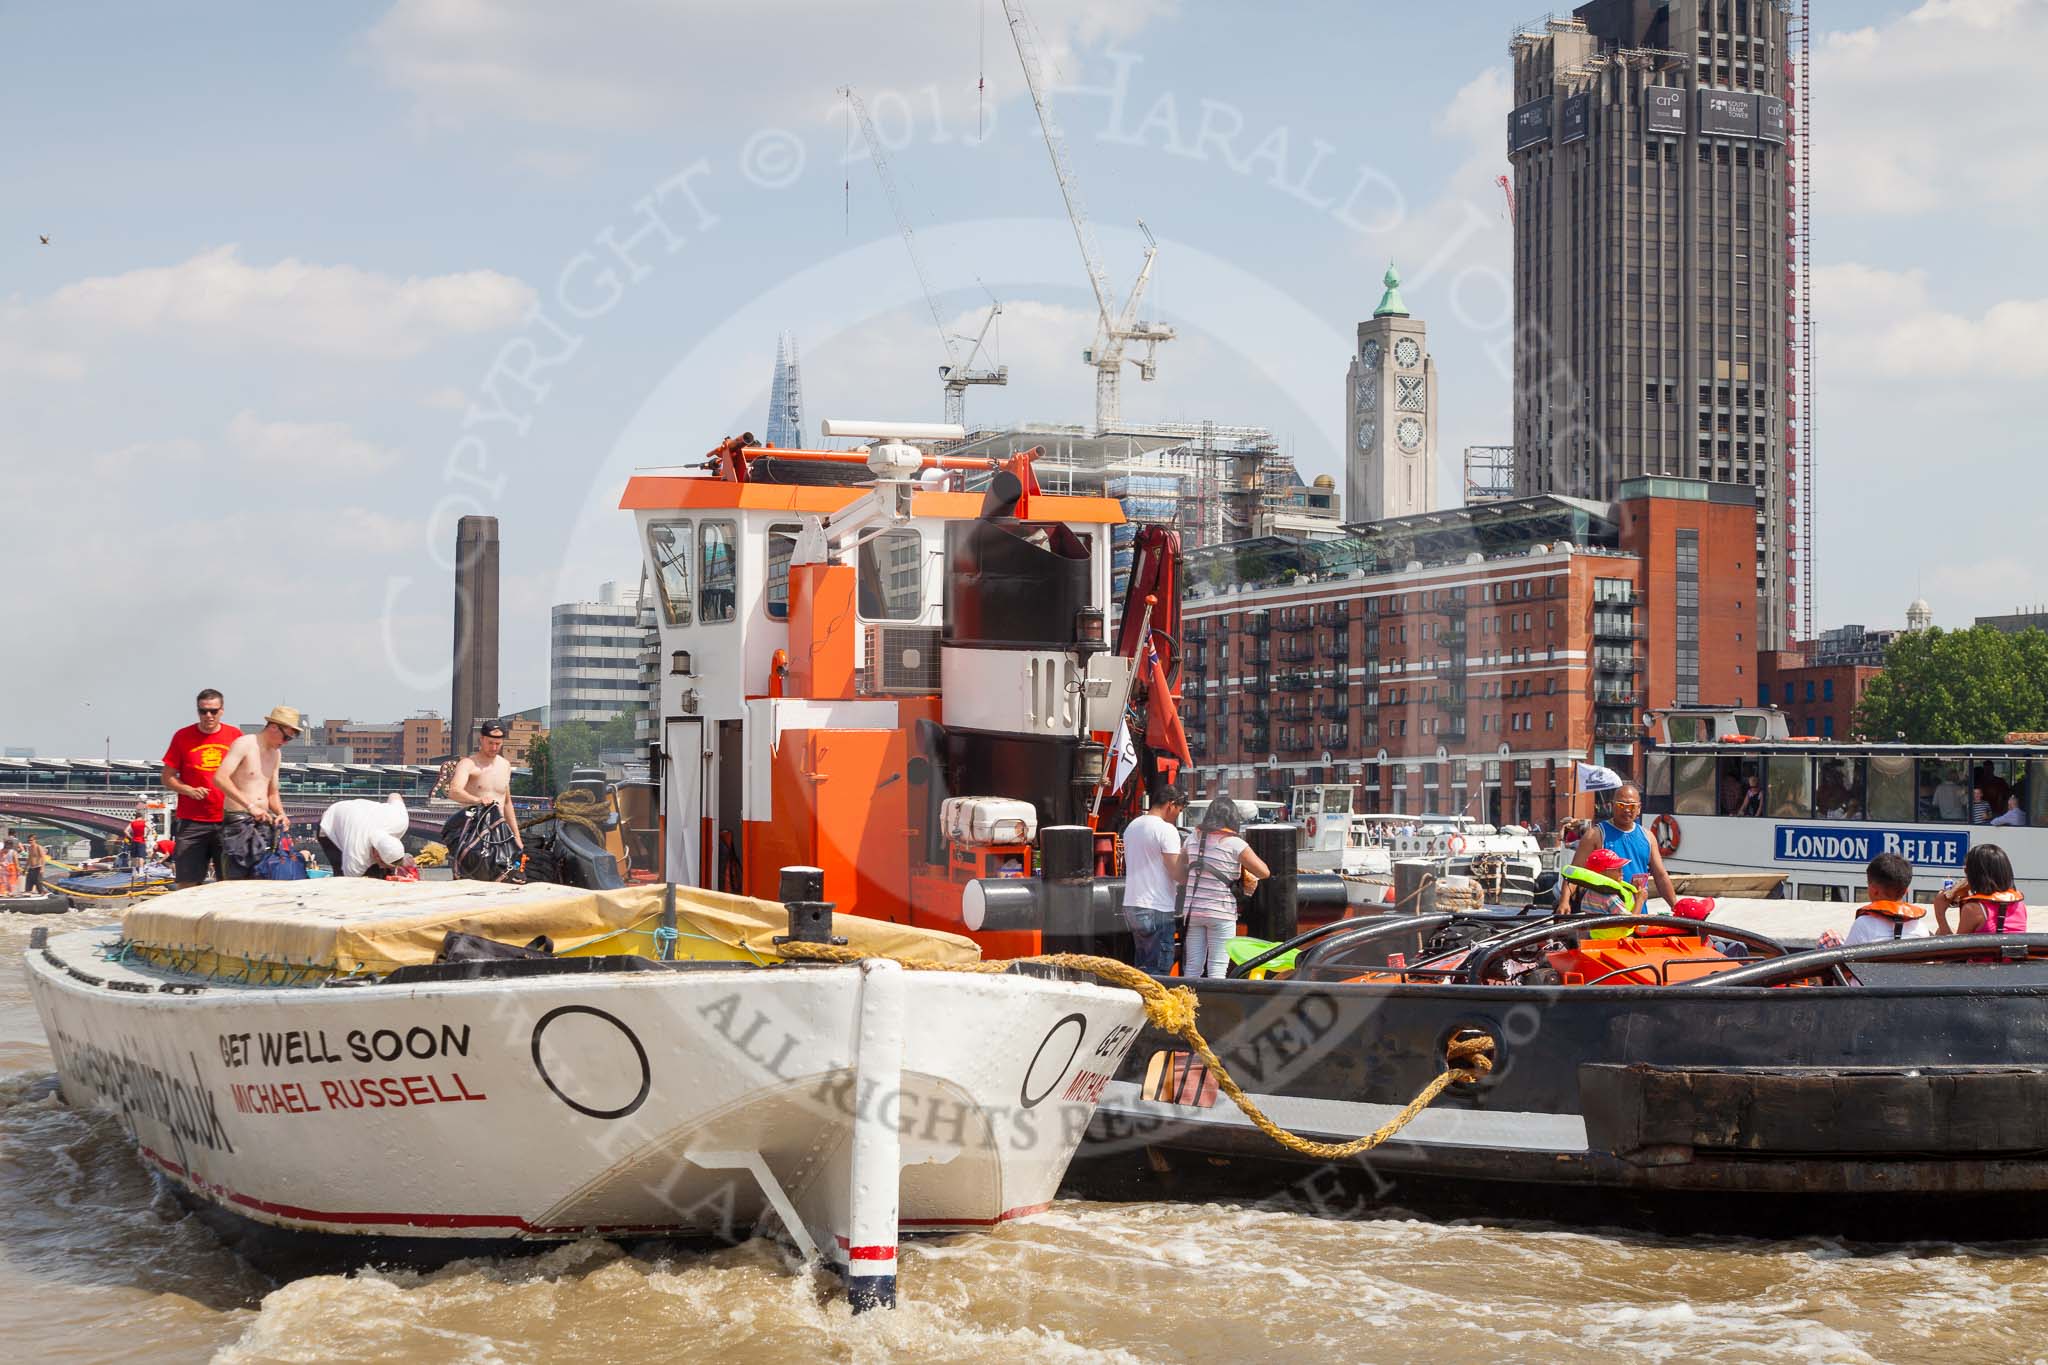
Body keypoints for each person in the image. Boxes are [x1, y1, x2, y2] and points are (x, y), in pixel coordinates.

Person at [1179, 797, 1270, 979]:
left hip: (1193, 911)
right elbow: (1264, 872)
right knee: (1217, 968)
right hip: (1221, 912)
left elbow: (1181, 867)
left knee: (1192, 967)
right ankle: (1213, 1006)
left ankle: (1188, 1004)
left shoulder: (1193, 838)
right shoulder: (1235, 843)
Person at [161, 688, 244, 888]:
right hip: (192, 822)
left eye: (213, 711)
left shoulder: (235, 736)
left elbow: (247, 775)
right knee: (187, 883)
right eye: (203, 711)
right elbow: (167, 777)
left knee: (231, 884)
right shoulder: (182, 736)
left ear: (222, 711)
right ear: (197, 711)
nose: (208, 716)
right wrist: (188, 790)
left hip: (228, 820)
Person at [213, 707, 300, 879]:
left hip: (263, 823)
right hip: (239, 822)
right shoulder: (245, 744)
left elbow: (272, 792)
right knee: (235, 880)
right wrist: (250, 806)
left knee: (261, 878)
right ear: (274, 727)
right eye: (286, 737)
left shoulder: (276, 754)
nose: (286, 741)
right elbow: (220, 778)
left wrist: (281, 813)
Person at [1569, 783, 1679, 913]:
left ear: (1638, 809)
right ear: (1612, 805)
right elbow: (1574, 872)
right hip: (1606, 919)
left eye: (1632, 806)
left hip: (1637, 914)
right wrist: (1565, 901)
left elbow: (1660, 876)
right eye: (1621, 805)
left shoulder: (1648, 837)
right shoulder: (1595, 835)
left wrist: (1676, 907)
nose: (1627, 810)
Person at [1120, 781, 1187, 976]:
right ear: (1171, 804)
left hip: (1133, 904)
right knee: (1158, 970)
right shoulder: (1166, 830)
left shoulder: (1133, 826)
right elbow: (1176, 872)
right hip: (1156, 907)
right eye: (1179, 810)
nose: (1177, 816)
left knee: (1142, 967)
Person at [446, 720, 524, 880]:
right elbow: (453, 791)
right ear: (481, 739)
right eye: (490, 743)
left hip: (501, 833)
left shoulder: (505, 765)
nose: (494, 748)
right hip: (475, 833)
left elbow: (507, 802)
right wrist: (478, 800)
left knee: (507, 879)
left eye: (498, 744)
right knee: (472, 878)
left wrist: (517, 836)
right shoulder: (469, 764)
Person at [1824, 852, 1933, 947]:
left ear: (1874, 890)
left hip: (1869, 971)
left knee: (1828, 937)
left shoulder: (1863, 924)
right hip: (1909, 970)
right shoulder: (1920, 928)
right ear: (1905, 891)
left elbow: (1846, 963)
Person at [1934, 843, 2027, 936]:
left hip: (1985, 950)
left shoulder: (1973, 909)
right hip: (2011, 949)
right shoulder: (2020, 905)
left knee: (1939, 932)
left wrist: (1940, 913)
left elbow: (1955, 948)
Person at [317, 793, 417, 878]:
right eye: (383, 864)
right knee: (342, 871)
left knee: (378, 873)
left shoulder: (400, 821)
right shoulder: (356, 854)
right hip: (330, 823)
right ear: (376, 854)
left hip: (358, 812)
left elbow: (395, 795)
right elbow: (348, 881)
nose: (382, 867)